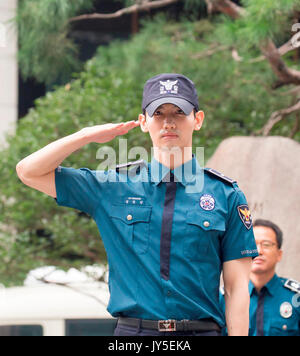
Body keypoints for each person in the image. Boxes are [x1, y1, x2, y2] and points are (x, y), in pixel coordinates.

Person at [16, 73, 258, 336]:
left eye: (179, 112)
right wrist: (86, 135)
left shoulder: (225, 195)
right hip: (134, 335)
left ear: (197, 120)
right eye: (158, 114)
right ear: (143, 122)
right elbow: (28, 171)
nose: (168, 122)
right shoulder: (113, 187)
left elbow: (236, 290)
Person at [220, 219, 300, 336]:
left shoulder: (295, 297)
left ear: (279, 254)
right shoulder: (224, 298)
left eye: (266, 244)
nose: (258, 251)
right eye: (253, 244)